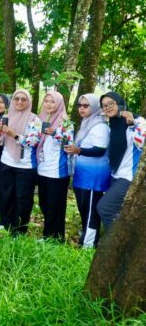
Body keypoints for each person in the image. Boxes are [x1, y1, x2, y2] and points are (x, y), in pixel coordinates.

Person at [64, 94, 110, 247]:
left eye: (86, 105)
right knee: (84, 209)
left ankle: (88, 245)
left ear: (95, 107)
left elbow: (100, 150)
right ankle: (86, 238)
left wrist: (79, 150)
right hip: (83, 175)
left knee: (91, 211)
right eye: (79, 105)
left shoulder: (100, 126)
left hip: (94, 177)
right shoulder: (87, 123)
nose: (81, 108)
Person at [96, 92, 145, 230]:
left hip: (129, 176)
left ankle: (118, 241)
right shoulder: (113, 123)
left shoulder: (138, 120)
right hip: (116, 175)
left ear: (119, 103)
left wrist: (132, 124)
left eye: (111, 103)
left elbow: (142, 143)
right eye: (104, 106)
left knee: (105, 208)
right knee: (120, 213)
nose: (108, 107)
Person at [0, 89, 41, 235]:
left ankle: (19, 230)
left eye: (23, 99)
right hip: (6, 161)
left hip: (25, 165)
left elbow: (33, 141)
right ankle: (6, 225)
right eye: (16, 99)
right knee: (6, 194)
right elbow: (0, 140)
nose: (19, 102)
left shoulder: (34, 119)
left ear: (29, 102)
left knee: (23, 198)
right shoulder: (7, 116)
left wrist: (14, 134)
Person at [36, 91, 74, 241]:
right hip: (42, 169)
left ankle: (56, 238)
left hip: (57, 171)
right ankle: (48, 234)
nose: (49, 104)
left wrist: (54, 133)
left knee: (55, 206)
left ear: (59, 103)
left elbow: (68, 143)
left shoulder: (65, 121)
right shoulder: (40, 118)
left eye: (52, 102)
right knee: (44, 203)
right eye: (46, 101)